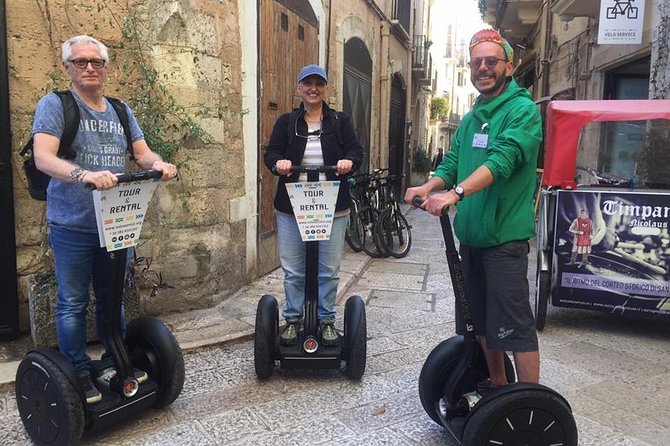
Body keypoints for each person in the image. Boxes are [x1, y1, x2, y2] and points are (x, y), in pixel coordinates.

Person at [32, 35, 179, 404]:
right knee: (73, 301)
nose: (89, 68)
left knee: (113, 300)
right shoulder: (56, 105)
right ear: (67, 67)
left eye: (96, 62)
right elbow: (44, 158)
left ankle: (116, 359)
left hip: (117, 223)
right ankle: (77, 373)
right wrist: (84, 175)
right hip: (73, 223)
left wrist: (158, 163)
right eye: (80, 62)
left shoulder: (120, 109)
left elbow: (142, 153)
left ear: (105, 68)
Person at [404, 29, 543, 387]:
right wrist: (430, 185)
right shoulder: (473, 115)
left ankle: (530, 401)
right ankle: (498, 385)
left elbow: (502, 161)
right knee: (478, 320)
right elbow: (453, 161)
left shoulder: (522, 111)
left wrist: (456, 194)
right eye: (477, 62)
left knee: (514, 327)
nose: (483, 68)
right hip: (472, 237)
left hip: (503, 240)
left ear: (509, 66)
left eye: (491, 61)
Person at [264, 64, 363, 347]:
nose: (313, 89)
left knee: (328, 270)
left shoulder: (339, 122)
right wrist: (278, 163)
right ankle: (293, 319)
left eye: (319, 84)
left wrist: (349, 162)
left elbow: (356, 151)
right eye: (307, 83)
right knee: (294, 269)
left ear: (325, 89)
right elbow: (271, 153)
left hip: (332, 204)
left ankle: (326, 320)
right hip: (293, 204)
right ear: (298, 88)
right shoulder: (287, 123)